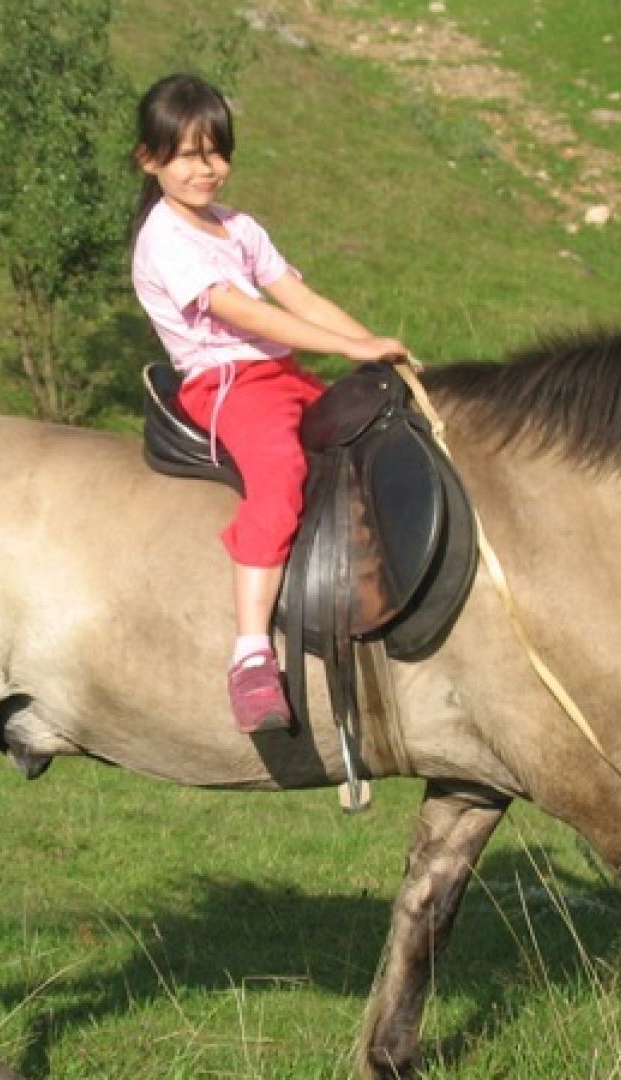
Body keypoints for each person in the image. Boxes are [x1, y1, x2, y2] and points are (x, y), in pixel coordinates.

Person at [129, 73, 409, 734]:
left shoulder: (238, 227)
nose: (209, 169)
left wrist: (368, 344)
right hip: (226, 385)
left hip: (282, 373)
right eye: (190, 155)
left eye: (217, 152)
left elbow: (299, 300)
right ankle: (251, 652)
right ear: (151, 159)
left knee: (381, 432)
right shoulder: (164, 239)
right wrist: (350, 348)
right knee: (280, 477)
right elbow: (247, 313)